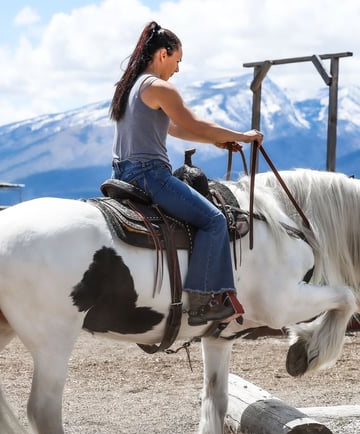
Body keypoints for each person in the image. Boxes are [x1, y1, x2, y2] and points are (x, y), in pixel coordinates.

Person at [109, 21, 264, 326]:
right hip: (150, 175)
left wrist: (218, 140)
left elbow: (177, 128)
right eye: (177, 61)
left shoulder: (130, 87)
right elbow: (193, 123)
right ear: (163, 54)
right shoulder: (158, 87)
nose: (177, 70)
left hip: (123, 173)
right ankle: (201, 300)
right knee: (215, 220)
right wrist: (245, 136)